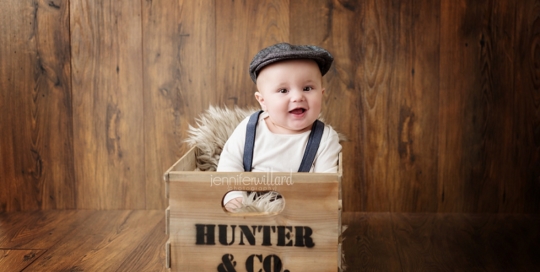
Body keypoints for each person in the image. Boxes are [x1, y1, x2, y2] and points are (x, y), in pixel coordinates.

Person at [217, 43, 342, 211]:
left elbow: (326, 185)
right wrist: (233, 196)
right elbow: (229, 163)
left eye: (307, 88)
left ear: (321, 93)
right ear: (263, 101)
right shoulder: (250, 128)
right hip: (248, 212)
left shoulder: (325, 138)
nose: (298, 97)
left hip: (298, 217)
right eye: (283, 90)